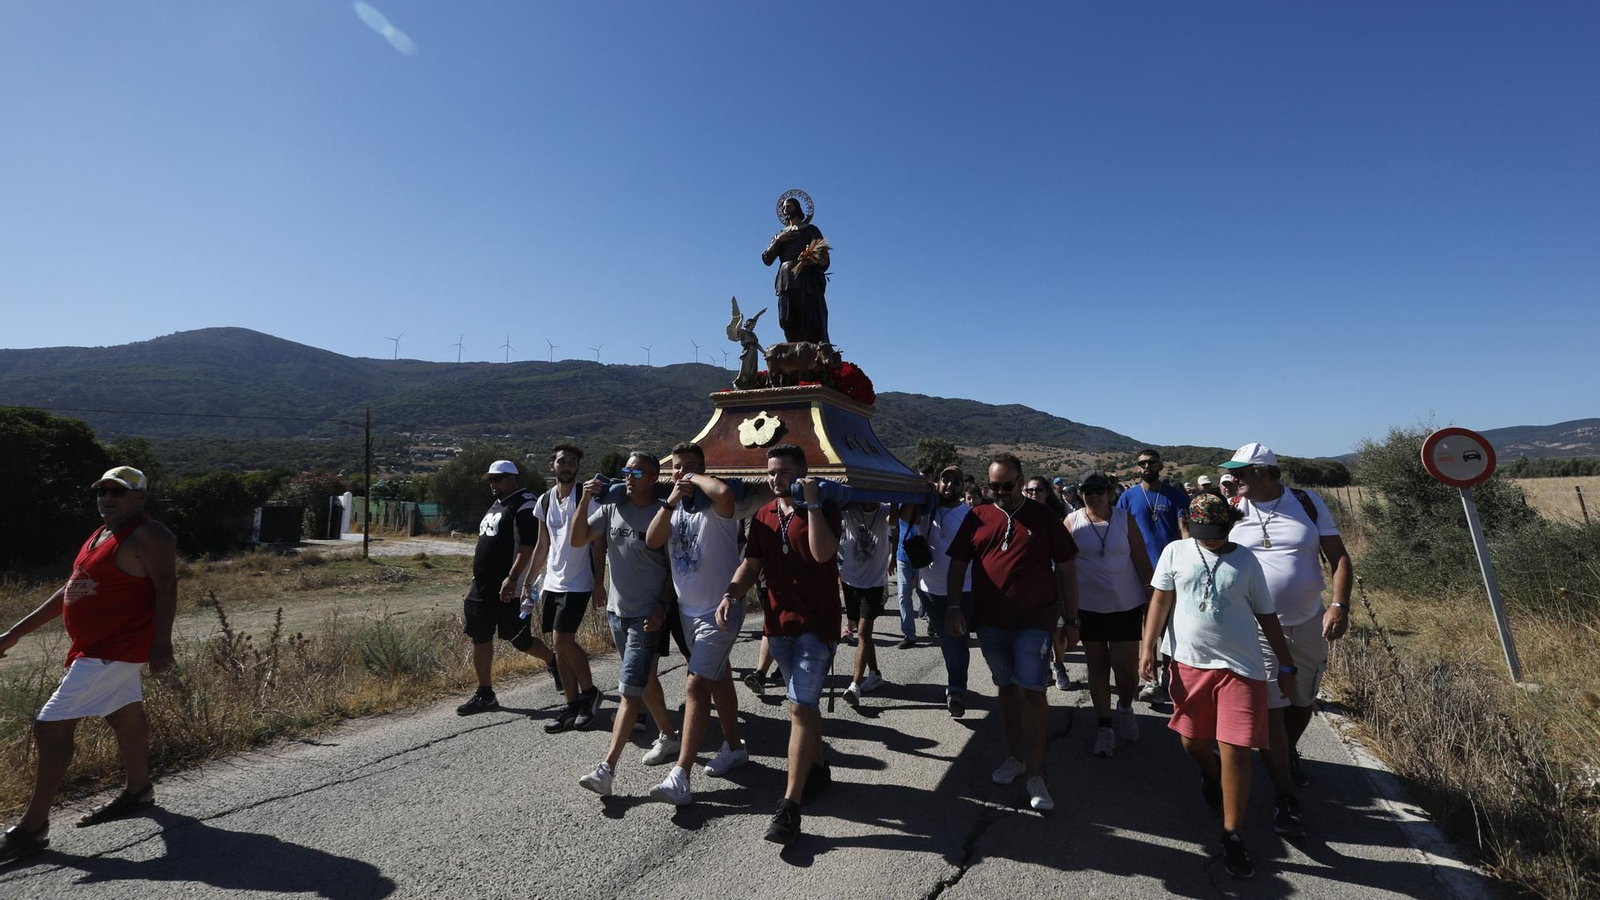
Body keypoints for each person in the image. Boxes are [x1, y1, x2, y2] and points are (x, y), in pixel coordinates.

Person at [0, 467, 177, 863]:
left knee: (50, 727)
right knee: (124, 714)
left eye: (119, 492)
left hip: (115, 649)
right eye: (102, 491)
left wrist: (161, 645)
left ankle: (32, 828)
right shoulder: (101, 534)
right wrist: (14, 633)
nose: (108, 498)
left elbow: (167, 587)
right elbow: (72, 587)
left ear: (141, 497)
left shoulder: (149, 534)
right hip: (95, 648)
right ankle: (139, 790)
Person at [1139, 493, 1298, 880]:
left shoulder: (1246, 560)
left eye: (1217, 531)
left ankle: (1232, 835)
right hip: (1188, 664)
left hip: (1242, 668)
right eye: (1203, 532)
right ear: (1189, 526)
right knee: (1192, 741)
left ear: (1230, 525)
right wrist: (1148, 648)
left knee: (1237, 749)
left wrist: (1286, 662)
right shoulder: (1175, 553)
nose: (1210, 538)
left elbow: (1266, 615)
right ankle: (1210, 774)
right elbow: (1160, 601)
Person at [717, 444, 842, 844]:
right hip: (778, 625)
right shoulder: (764, 514)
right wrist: (731, 593)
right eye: (771, 472)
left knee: (800, 707)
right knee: (803, 705)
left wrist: (813, 504)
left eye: (784, 472)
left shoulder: (825, 508)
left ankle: (789, 806)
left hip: (816, 626)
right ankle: (817, 770)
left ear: (803, 473)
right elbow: (751, 563)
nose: (775, 478)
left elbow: (823, 554)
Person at [945, 454, 1079, 812]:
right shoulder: (978, 515)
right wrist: (954, 607)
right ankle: (1015, 758)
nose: (1000, 492)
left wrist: (1072, 620)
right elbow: (958, 564)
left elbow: (1067, 569)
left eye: (1007, 485)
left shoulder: (1044, 518)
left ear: (1021, 482)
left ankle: (1036, 774)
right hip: (991, 623)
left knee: (1033, 693)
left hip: (1034, 622)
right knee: (1005, 688)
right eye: (994, 486)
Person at [1220, 442, 1353, 798]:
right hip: (1255, 626)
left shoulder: (1308, 503)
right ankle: (1280, 775)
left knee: (1302, 699)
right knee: (1272, 703)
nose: (1233, 478)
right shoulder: (1233, 508)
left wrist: (1339, 605)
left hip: (1309, 620)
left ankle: (1286, 750)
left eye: (1240, 472)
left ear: (1263, 472)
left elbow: (1339, 558)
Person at [643, 442, 750, 805]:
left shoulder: (718, 507)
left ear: (704, 470)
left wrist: (695, 478)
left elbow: (723, 492)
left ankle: (681, 775)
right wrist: (671, 499)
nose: (682, 473)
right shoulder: (674, 508)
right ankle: (735, 747)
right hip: (687, 612)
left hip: (720, 611)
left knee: (697, 685)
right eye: (676, 467)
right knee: (719, 678)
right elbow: (652, 539)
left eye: (689, 466)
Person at [572, 454, 683, 797]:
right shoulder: (610, 508)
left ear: (653, 477)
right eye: (626, 471)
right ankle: (670, 736)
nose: (629, 477)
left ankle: (606, 769)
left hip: (646, 617)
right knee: (644, 678)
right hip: (617, 613)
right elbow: (578, 539)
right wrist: (586, 500)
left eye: (637, 472)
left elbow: (674, 569)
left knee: (629, 690)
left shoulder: (664, 514)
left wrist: (662, 607)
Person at [456, 461, 560, 717]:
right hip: (481, 586)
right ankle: (485, 693)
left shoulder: (524, 504)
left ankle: (554, 662)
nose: (493, 483)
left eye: (498, 478)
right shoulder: (497, 504)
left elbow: (528, 546)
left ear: (513, 478)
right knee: (480, 636)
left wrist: (513, 578)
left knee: (519, 640)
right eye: (490, 479)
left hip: (509, 587)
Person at [1067, 472, 1154, 758]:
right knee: (1097, 668)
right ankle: (1104, 728)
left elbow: (1140, 557)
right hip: (1089, 607)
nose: (1094, 496)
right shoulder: (1072, 522)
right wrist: (1064, 608)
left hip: (1126, 605)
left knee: (1126, 671)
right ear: (1081, 494)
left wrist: (1151, 594)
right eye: (1088, 491)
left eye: (1099, 490)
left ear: (1109, 492)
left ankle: (1125, 707)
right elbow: (1064, 567)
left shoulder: (1124, 519)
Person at [529, 444, 606, 733]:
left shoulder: (586, 498)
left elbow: (598, 544)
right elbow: (542, 544)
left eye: (572, 462)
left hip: (578, 582)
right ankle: (572, 705)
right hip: (552, 582)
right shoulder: (544, 500)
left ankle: (590, 694)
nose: (567, 466)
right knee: (559, 646)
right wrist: (528, 580)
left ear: (577, 467)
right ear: (552, 465)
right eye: (562, 461)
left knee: (562, 641)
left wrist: (598, 584)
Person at [1117, 449, 1190, 705]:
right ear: (1137, 468)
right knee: (1147, 624)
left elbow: (1185, 529)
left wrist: (1190, 561)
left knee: (1171, 627)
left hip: (1173, 570)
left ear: (1160, 466)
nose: (1146, 466)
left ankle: (1171, 677)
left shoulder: (1175, 495)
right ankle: (1151, 681)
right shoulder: (1128, 497)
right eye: (1142, 464)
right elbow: (1120, 531)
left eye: (1151, 462)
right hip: (1140, 571)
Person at [912, 466, 975, 717]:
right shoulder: (926, 508)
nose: (950, 484)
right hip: (929, 589)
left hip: (962, 590)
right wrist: (919, 489)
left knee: (957, 639)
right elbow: (899, 515)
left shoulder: (969, 515)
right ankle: (955, 682)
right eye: (945, 479)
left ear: (963, 487)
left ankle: (956, 690)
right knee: (947, 640)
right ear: (937, 482)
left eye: (956, 481)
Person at [840, 502, 897, 704]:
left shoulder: (885, 510)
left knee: (863, 633)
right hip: (849, 580)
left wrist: (895, 495)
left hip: (873, 583)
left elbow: (894, 521)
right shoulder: (850, 508)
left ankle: (854, 685)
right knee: (863, 633)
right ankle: (875, 674)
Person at [1024, 475, 1075, 692]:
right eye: (1029, 490)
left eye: (1038, 490)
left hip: (1054, 578)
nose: (1033, 494)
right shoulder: (1019, 516)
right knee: (1036, 626)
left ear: (1047, 493)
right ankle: (1044, 667)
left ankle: (1058, 664)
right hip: (1030, 580)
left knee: (1057, 626)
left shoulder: (1057, 517)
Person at [762, 195, 831, 344]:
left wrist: (810, 259)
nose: (785, 210)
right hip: (785, 279)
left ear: (797, 209)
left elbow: (824, 258)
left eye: (789, 207)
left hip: (805, 278)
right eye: (784, 208)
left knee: (807, 316)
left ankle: (810, 349)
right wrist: (778, 241)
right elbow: (767, 259)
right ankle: (792, 348)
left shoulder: (810, 230)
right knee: (785, 318)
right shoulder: (779, 235)